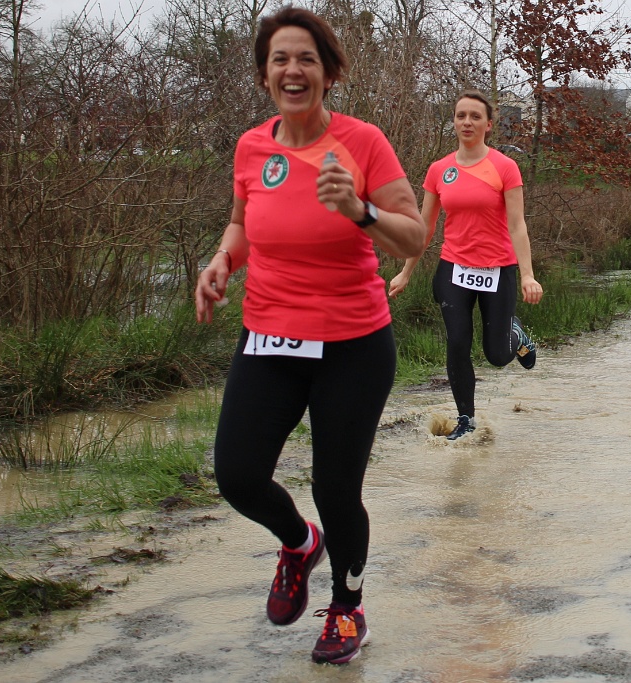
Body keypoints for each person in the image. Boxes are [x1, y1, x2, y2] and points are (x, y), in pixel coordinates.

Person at [194, 6, 425, 665]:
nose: (292, 70)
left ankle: (348, 609)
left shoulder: (363, 143)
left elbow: (413, 236)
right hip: (268, 337)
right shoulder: (251, 147)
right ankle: (299, 543)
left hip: (352, 344)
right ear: (264, 74)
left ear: (328, 73)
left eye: (306, 59)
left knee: (335, 487)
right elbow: (242, 223)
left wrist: (360, 210)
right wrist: (222, 261)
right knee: (238, 474)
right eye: (280, 59)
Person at [387, 90, 543, 441]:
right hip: (454, 269)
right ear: (454, 122)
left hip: (498, 270)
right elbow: (425, 226)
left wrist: (528, 275)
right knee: (457, 342)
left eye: (475, 116)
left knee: (497, 355)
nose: (467, 122)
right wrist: (406, 271)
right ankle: (466, 419)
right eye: (461, 116)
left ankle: (516, 335)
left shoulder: (505, 167)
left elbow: (517, 225)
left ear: (488, 125)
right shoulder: (439, 170)